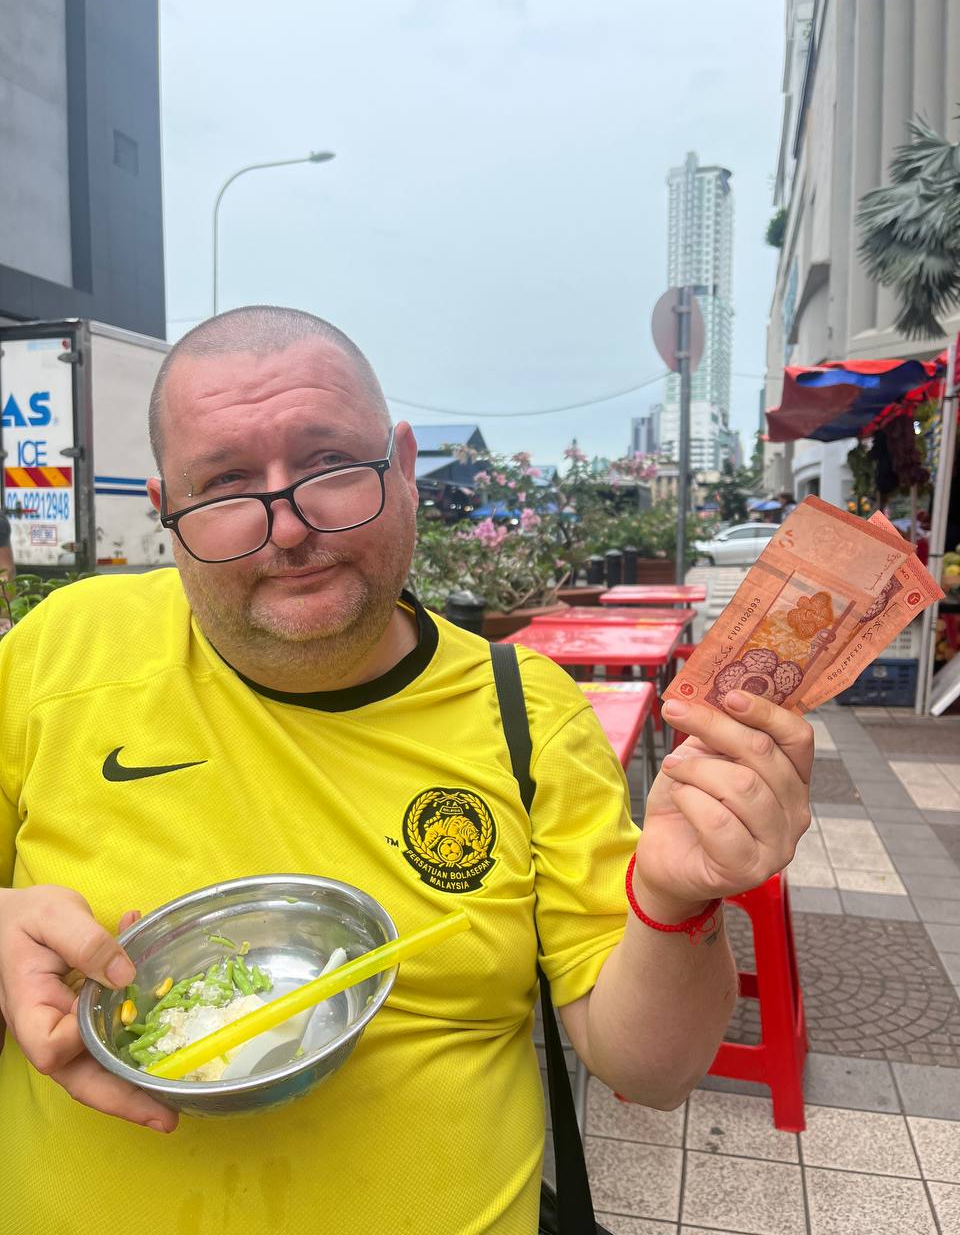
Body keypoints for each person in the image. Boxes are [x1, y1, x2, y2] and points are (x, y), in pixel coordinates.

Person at [0, 307, 813, 1235]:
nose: (289, 529)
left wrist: (677, 898)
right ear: (166, 512)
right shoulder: (60, 650)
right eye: (225, 485)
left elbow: (653, 1071)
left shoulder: (527, 715)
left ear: (403, 467)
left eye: (328, 467)